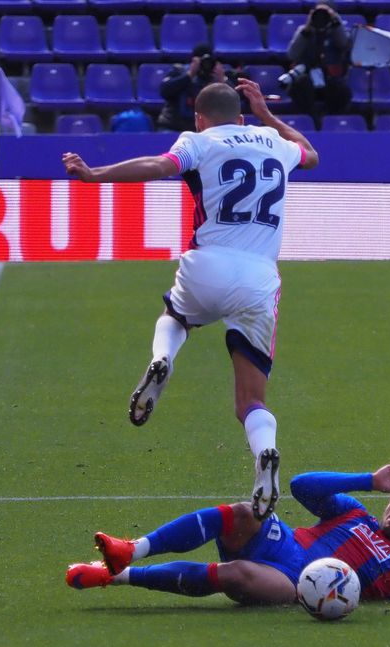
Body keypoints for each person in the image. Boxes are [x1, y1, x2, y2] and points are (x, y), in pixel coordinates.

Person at [62, 80, 319, 521]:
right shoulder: (274, 141)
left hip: (208, 263)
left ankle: (163, 360)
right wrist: (267, 115)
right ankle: (267, 450)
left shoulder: (197, 141)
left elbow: (157, 165)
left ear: (199, 118)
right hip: (260, 277)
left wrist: (96, 175)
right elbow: (311, 155)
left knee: (176, 316)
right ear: (242, 116)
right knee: (251, 402)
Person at [65, 461, 390, 604]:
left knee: (238, 573)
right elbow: (301, 487)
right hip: (285, 545)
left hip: (295, 585)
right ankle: (132, 548)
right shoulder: (354, 513)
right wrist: (368, 480)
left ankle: (113, 577)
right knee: (245, 512)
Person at [281, 2, 353, 117]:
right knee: (300, 84)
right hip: (307, 78)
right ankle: (308, 118)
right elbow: (292, 54)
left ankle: (333, 121)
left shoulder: (336, 31)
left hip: (330, 78)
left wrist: (336, 22)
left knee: (342, 90)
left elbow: (344, 45)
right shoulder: (304, 31)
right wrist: (307, 29)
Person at [156, 42, 244, 133]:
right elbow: (164, 91)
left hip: (207, 131)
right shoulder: (179, 71)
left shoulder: (219, 76)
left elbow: (236, 103)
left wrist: (223, 80)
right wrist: (189, 75)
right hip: (174, 126)